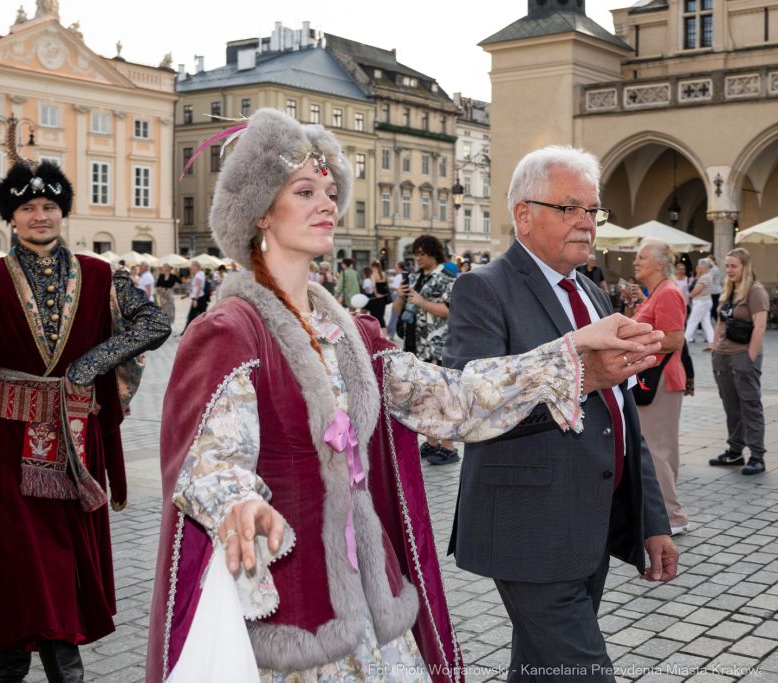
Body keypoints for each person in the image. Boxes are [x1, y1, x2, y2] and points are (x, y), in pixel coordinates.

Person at [145, 108, 660, 683]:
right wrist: (240, 504)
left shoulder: (354, 333)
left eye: (331, 191)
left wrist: (572, 356)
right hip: (287, 590)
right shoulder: (230, 331)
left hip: (371, 588)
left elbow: (452, 400)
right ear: (261, 211)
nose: (328, 205)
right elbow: (206, 460)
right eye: (305, 191)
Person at [0, 127, 171, 680]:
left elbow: (156, 320)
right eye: (28, 208)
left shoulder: (101, 275)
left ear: (62, 213)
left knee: (63, 553)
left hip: (76, 441)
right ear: (11, 219)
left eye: (49, 206)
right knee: (17, 552)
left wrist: (93, 363)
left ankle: (29, 665)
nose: (39, 216)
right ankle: (51, 668)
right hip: (9, 439)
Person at [444, 145, 678, 682]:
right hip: (529, 530)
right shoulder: (484, 289)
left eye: (592, 211)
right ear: (523, 214)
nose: (586, 224)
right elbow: (470, 409)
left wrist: (652, 520)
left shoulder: (593, 293)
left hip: (588, 525)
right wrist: (583, 377)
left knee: (541, 671)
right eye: (569, 208)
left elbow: (622, 417)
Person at [624, 239, 690, 534]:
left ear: (660, 263)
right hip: (652, 377)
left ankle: (673, 518)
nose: (635, 262)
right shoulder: (656, 294)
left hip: (662, 378)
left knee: (658, 448)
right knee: (654, 446)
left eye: (641, 257)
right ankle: (662, 513)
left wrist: (635, 344)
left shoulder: (668, 293)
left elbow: (675, 339)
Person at [393, 235, 459, 465]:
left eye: (422, 253)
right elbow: (398, 310)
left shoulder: (446, 278)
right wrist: (401, 296)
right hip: (414, 344)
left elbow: (452, 311)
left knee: (442, 396)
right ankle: (431, 443)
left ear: (433, 253)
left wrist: (422, 302)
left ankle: (449, 447)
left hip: (436, 346)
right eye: (416, 254)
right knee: (426, 397)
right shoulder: (414, 277)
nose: (418, 258)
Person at [709, 248, 770, 475]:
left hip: (744, 356)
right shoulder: (728, 291)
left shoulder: (755, 291)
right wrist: (715, 350)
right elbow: (719, 323)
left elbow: (761, 326)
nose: (729, 270)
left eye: (734, 266)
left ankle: (757, 455)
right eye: (727, 266)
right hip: (722, 358)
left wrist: (750, 356)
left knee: (750, 406)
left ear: (745, 266)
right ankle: (735, 452)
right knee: (732, 408)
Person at [684, 258, 715, 346]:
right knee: (706, 323)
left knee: (691, 322)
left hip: (701, 302)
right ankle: (712, 343)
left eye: (699, 265)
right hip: (705, 301)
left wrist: (689, 294)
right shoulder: (707, 276)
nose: (698, 266)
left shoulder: (704, 277)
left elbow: (695, 291)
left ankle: (683, 344)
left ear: (704, 267)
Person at [363, 259, 390, 336]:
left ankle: (375, 335)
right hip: (383, 298)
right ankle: (385, 335)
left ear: (374, 267)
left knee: (374, 317)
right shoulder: (383, 274)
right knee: (381, 317)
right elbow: (386, 286)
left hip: (376, 299)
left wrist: (376, 293)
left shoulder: (373, 275)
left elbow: (373, 285)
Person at [182, 260, 207, 334]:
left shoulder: (198, 275)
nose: (191, 267)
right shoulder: (200, 274)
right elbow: (196, 288)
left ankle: (185, 333)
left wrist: (195, 299)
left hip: (198, 298)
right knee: (201, 316)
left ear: (196, 267)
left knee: (192, 316)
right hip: (200, 297)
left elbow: (199, 288)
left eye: (192, 266)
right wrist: (187, 295)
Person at [387, 261, 404, 338]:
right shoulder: (401, 276)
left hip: (397, 296)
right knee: (395, 315)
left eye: (396, 267)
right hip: (398, 295)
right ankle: (391, 332)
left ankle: (389, 332)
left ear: (400, 268)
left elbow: (397, 288)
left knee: (394, 315)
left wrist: (390, 287)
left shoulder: (398, 276)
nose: (395, 269)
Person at [708, 253, 723, 323]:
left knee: (713, 310)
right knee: (712, 310)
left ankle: (719, 323)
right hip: (713, 291)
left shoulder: (714, 269)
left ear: (714, 261)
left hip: (714, 292)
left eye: (710, 260)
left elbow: (709, 278)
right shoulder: (712, 269)